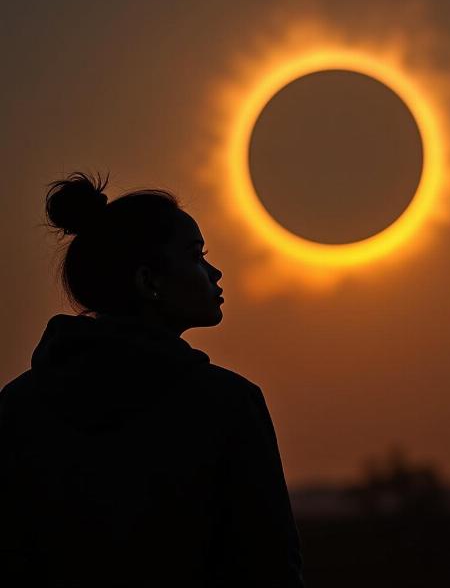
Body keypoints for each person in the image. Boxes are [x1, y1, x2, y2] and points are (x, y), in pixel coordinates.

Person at [0, 172, 304, 587]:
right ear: (149, 281)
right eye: (196, 255)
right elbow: (268, 568)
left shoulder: (16, 407)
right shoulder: (226, 404)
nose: (214, 272)